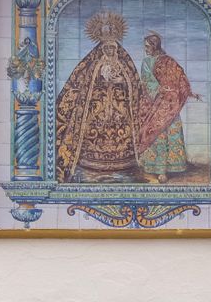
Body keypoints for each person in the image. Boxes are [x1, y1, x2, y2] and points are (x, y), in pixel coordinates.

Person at [54, 10, 145, 182]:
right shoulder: (93, 63)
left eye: (112, 47)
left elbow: (132, 81)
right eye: (107, 48)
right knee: (95, 126)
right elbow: (84, 81)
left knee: (121, 127)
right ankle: (91, 160)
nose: (110, 50)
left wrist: (121, 79)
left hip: (119, 106)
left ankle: (124, 161)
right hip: (98, 106)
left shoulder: (124, 62)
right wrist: (99, 78)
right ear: (102, 48)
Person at [136, 31, 198, 181]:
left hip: (169, 103)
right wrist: (160, 90)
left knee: (168, 131)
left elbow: (180, 76)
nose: (146, 49)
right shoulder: (147, 62)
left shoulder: (168, 61)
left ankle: (169, 168)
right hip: (156, 103)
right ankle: (158, 169)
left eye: (148, 46)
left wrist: (187, 91)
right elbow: (146, 81)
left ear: (154, 45)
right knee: (156, 133)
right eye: (144, 46)